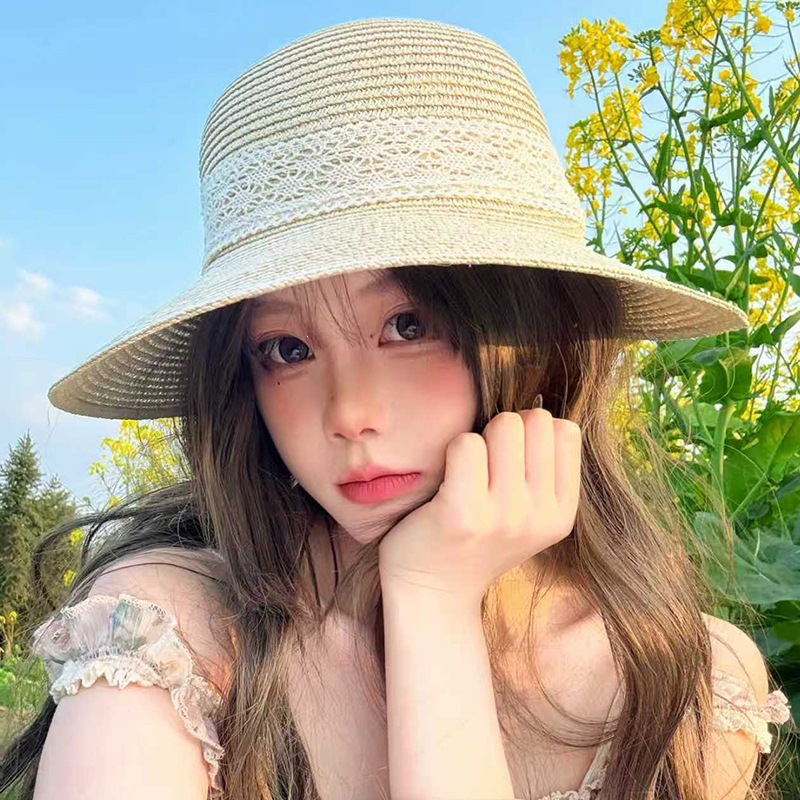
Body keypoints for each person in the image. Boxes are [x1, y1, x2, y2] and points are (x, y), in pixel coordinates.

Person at [0, 16, 792, 800]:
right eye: (287, 348)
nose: (349, 414)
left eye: (409, 326)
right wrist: (429, 597)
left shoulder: (680, 684)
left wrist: (433, 605)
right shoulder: (170, 636)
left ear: (541, 343)